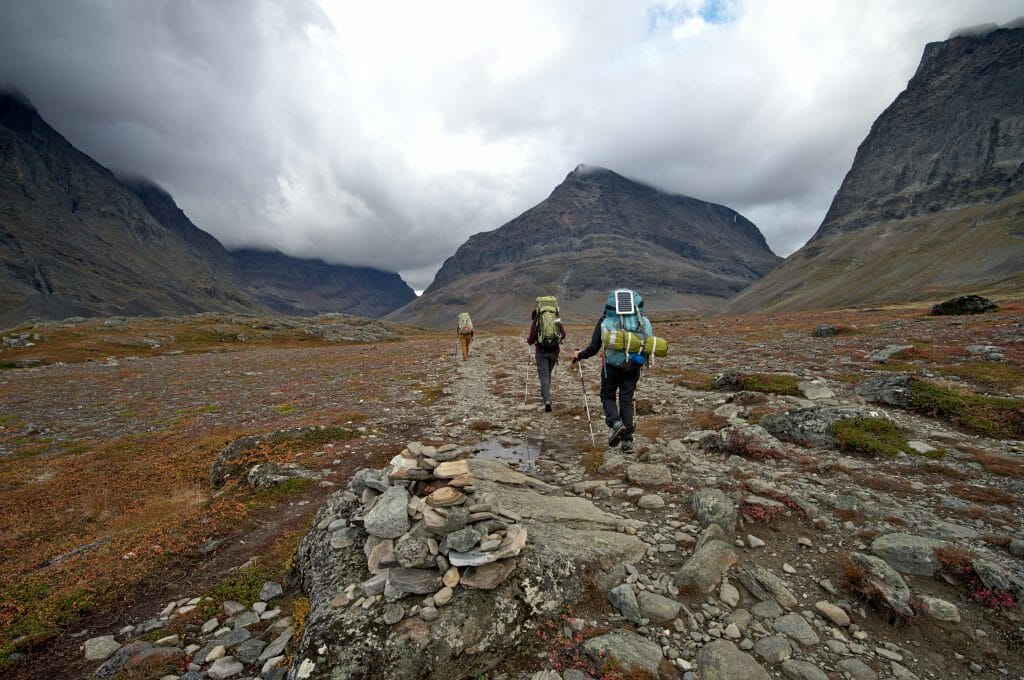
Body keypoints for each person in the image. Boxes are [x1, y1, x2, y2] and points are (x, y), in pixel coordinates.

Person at [571, 289, 653, 454]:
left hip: (611, 367)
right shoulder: (642, 320)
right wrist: (638, 361)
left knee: (607, 396)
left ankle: (616, 423)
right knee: (626, 401)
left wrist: (579, 355)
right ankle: (627, 442)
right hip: (634, 366)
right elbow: (649, 344)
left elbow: (594, 347)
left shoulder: (605, 320)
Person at [527, 302, 566, 412]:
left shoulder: (537, 319)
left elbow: (531, 338)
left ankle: (546, 400)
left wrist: (529, 341)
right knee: (547, 374)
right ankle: (546, 395)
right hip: (554, 351)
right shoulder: (556, 317)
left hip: (541, 351)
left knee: (544, 375)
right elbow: (563, 334)